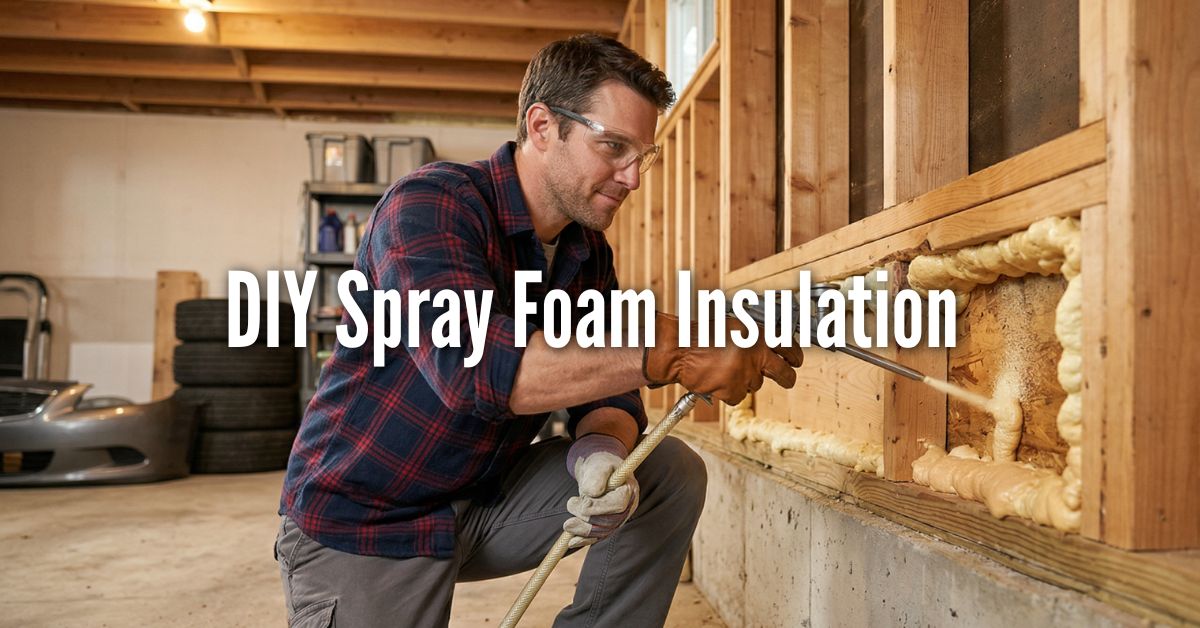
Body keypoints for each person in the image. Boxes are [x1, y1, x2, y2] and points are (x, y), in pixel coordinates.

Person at [276, 34, 803, 628]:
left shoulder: (586, 251)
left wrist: (600, 456)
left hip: (479, 498)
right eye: (613, 147)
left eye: (642, 156)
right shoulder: (430, 204)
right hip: (369, 518)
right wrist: (672, 348)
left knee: (664, 474)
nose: (632, 177)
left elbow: (606, 388)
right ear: (543, 125)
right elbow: (473, 367)